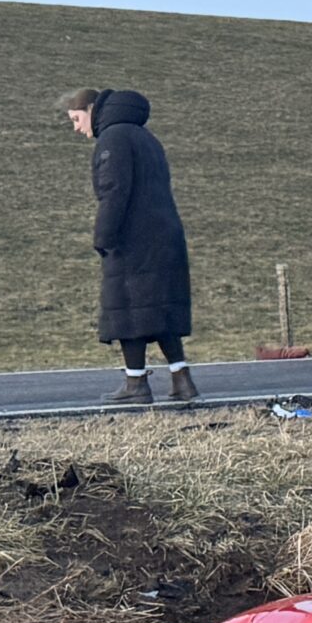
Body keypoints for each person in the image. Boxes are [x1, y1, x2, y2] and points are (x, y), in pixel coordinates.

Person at [63, 88, 197, 404]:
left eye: (76, 119)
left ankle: (136, 383)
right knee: (158, 309)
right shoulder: (146, 137)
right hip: (165, 235)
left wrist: (103, 236)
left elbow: (114, 192)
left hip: (133, 239)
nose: (77, 128)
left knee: (128, 310)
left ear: (92, 109)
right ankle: (182, 379)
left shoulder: (113, 139)